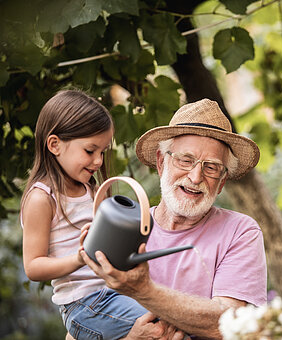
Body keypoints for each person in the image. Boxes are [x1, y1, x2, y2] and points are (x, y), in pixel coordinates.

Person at [82, 98, 267, 338]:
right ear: (161, 163)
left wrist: (143, 290)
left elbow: (229, 323)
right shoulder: (123, 227)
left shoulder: (240, 231)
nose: (196, 176)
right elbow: (80, 321)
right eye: (186, 160)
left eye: (211, 167)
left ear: (221, 182)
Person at [21, 89, 181, 340]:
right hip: (85, 305)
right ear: (55, 145)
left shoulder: (92, 188)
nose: (98, 160)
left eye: (103, 152)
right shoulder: (42, 198)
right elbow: (33, 267)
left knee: (175, 319)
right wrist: (79, 258)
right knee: (166, 325)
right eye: (90, 150)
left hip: (113, 292)